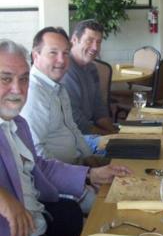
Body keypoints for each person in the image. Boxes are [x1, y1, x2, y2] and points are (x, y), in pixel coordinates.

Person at [0, 39, 131, 236]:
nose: (18, 89)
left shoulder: (16, 124)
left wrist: (90, 174)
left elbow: (40, 167)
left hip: (40, 224)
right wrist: (4, 199)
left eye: (24, 79)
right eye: (6, 78)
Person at [21, 26, 105, 165]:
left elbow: (72, 128)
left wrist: (89, 158)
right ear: (36, 56)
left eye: (65, 53)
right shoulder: (33, 93)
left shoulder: (57, 87)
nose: (61, 60)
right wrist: (84, 175)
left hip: (78, 163)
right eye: (53, 53)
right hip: (61, 178)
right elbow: (37, 153)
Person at [62, 19, 117, 135]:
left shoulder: (91, 68)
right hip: (72, 135)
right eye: (89, 41)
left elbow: (99, 107)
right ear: (74, 40)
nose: (95, 48)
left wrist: (113, 132)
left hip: (88, 128)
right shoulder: (66, 70)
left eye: (99, 42)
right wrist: (106, 135)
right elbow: (74, 118)